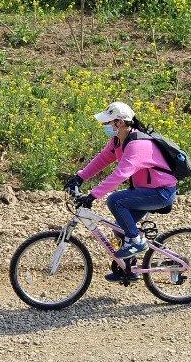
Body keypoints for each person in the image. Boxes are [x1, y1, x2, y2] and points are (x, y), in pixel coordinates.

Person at [65, 101, 178, 280]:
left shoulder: (137, 144)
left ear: (120, 123)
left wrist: (93, 195)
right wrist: (80, 177)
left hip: (161, 192)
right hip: (145, 190)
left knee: (115, 200)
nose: (105, 126)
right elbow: (102, 159)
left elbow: (120, 175)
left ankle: (135, 242)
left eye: (108, 123)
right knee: (120, 228)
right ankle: (129, 270)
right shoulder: (118, 140)